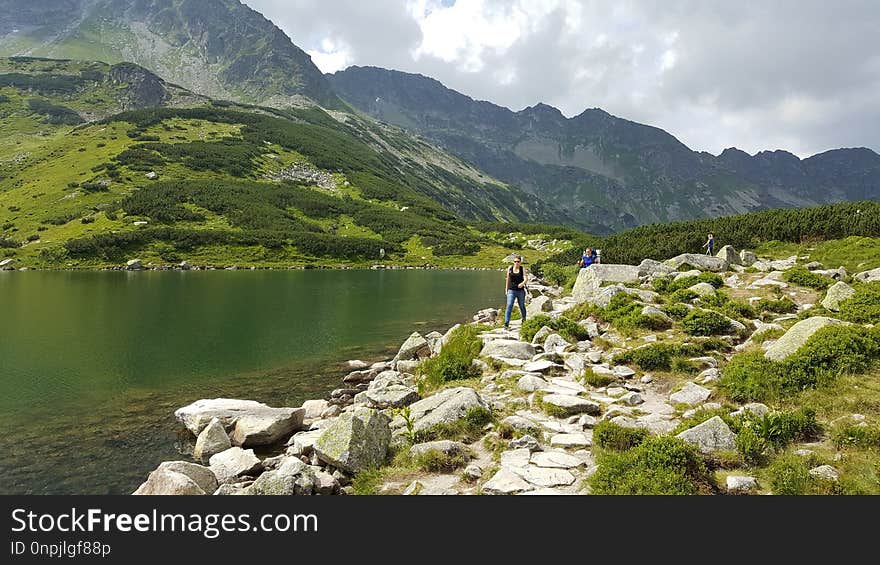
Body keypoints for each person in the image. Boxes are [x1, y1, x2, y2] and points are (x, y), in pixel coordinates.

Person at [504, 254, 528, 329]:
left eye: (518, 261)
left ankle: (524, 319)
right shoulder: (510, 268)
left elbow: (525, 278)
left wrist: (522, 283)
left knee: (522, 306)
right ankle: (506, 323)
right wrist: (506, 289)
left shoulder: (522, 269)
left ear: (520, 262)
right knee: (509, 305)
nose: (516, 263)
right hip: (511, 290)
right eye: (515, 261)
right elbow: (508, 279)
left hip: (520, 291)